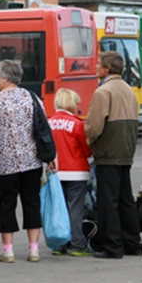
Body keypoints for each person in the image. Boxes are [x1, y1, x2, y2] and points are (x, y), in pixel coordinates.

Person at [0, 60, 56, 263]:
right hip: (32, 161)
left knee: (7, 204)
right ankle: (33, 250)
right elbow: (42, 128)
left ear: (5, 78)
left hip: (6, 162)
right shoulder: (32, 98)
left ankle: (8, 250)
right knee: (32, 202)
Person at [84, 51, 142, 259]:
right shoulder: (128, 89)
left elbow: (94, 126)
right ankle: (133, 243)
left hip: (108, 150)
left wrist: (90, 143)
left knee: (108, 201)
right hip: (126, 148)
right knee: (125, 198)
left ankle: (113, 246)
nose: (96, 67)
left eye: (98, 64)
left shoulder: (103, 92)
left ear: (106, 69)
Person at [47, 88, 91, 256]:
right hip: (77, 171)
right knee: (75, 209)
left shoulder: (49, 123)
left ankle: (59, 243)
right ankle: (77, 244)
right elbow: (86, 149)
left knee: (59, 208)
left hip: (55, 172)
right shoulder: (77, 124)